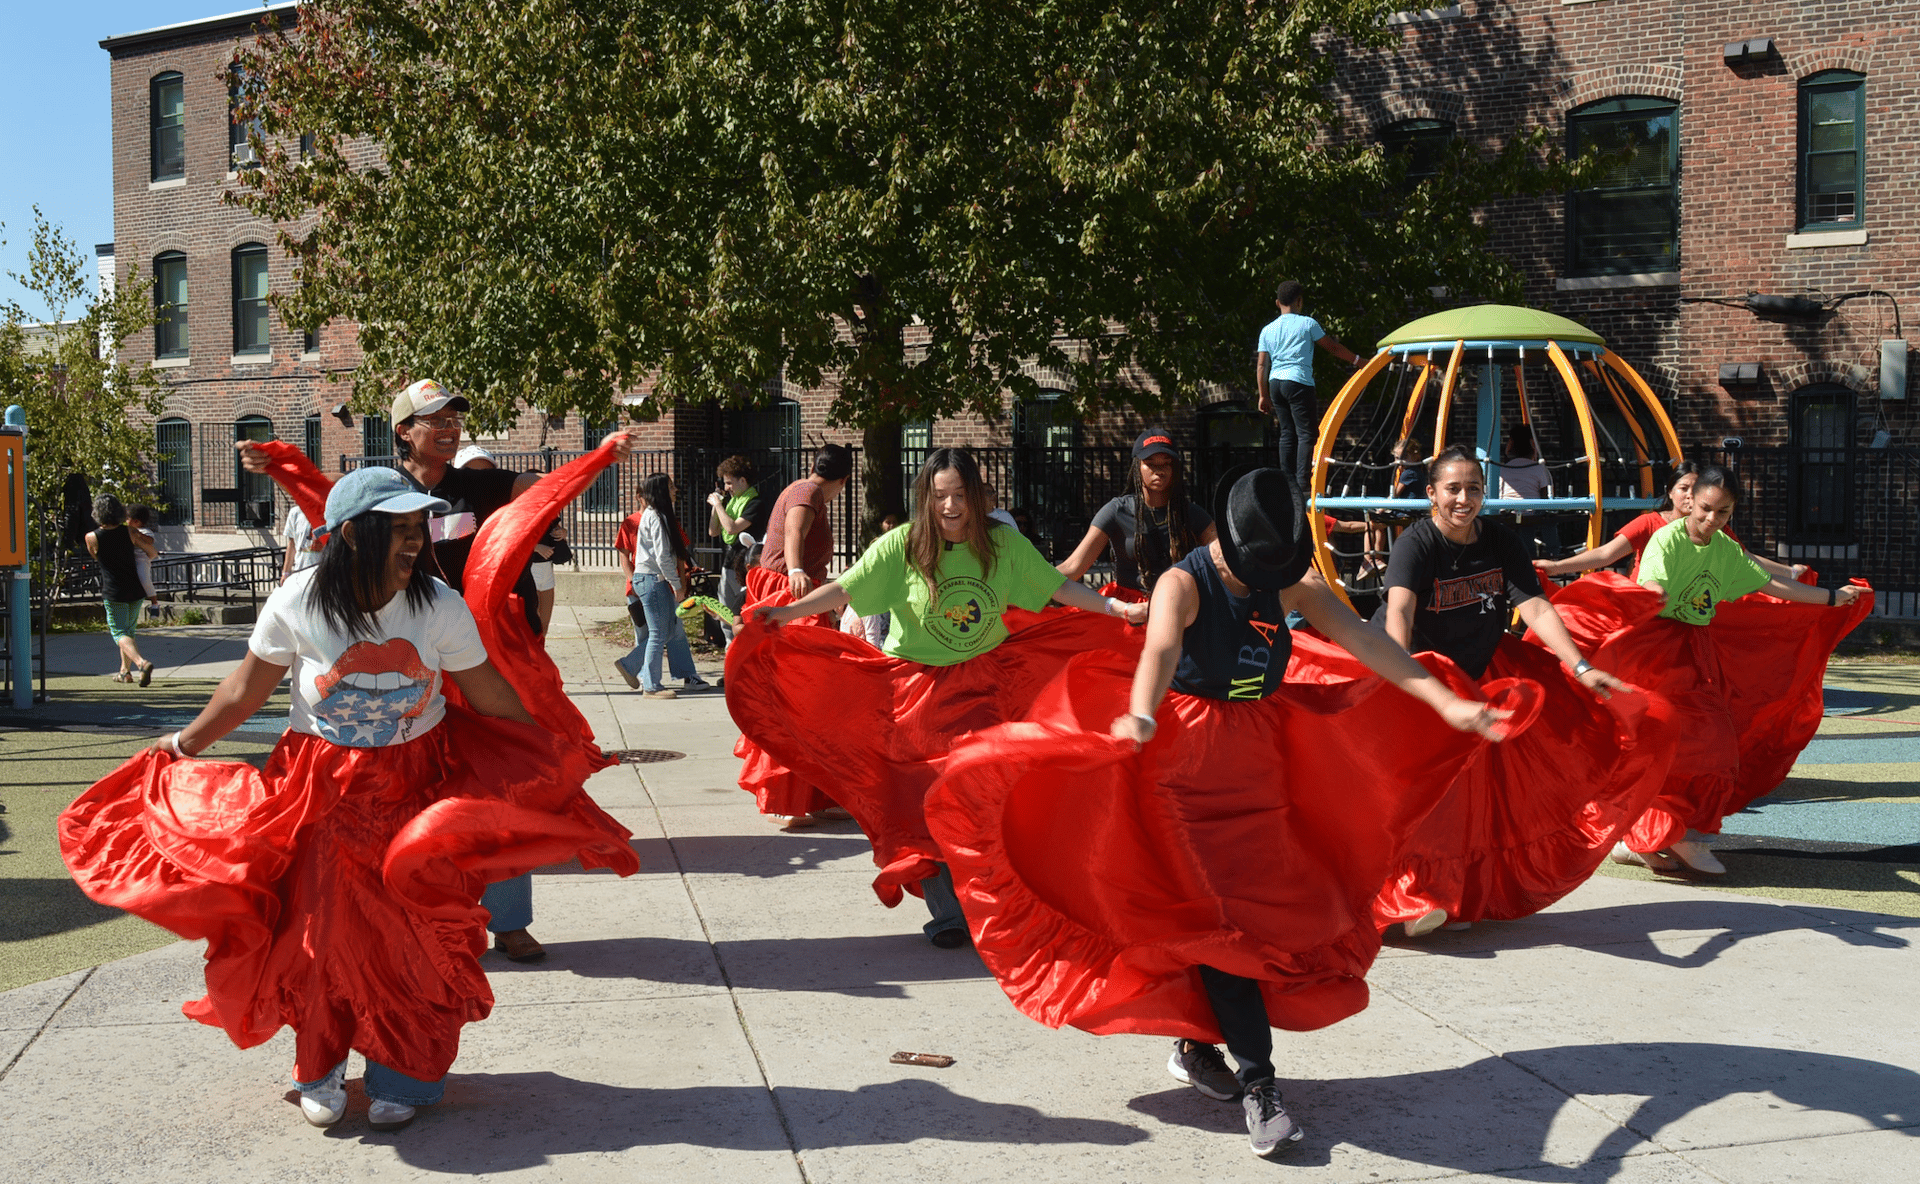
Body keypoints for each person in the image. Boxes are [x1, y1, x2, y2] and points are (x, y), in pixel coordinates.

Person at [922, 468, 1512, 1159]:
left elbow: (1364, 639)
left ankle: (1196, 1045)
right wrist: (1142, 710)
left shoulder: (1287, 579)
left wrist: (1444, 701)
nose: (1263, 577)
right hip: (1182, 773)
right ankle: (1261, 1087)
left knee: (1250, 920)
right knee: (1221, 926)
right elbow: (1162, 649)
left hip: (1258, 764)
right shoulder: (1182, 581)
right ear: (1227, 542)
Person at [59, 467, 638, 1133]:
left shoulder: (437, 606)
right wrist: (182, 746)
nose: (415, 541)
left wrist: (551, 756)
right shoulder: (298, 602)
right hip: (321, 795)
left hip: (415, 790)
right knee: (318, 937)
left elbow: (488, 695)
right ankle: (321, 1066)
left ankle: (400, 1071)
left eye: (418, 527)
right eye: (397, 529)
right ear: (351, 537)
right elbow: (244, 693)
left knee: (414, 939)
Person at [735, 447, 1151, 945]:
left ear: (975, 496)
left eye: (958, 496)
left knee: (983, 802)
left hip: (983, 689)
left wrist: (1113, 609)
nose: (950, 507)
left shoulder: (1003, 545)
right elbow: (845, 589)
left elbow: (1058, 589)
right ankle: (948, 912)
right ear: (924, 500)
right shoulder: (901, 547)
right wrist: (784, 613)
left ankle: (992, 904)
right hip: (916, 694)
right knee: (923, 807)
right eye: (938, 497)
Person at [1373, 445, 1670, 937]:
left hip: (1479, 674)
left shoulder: (1501, 542)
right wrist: (1403, 686)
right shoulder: (1416, 545)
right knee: (1424, 792)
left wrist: (1578, 666)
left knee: (1476, 793)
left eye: (1473, 488)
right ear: (1431, 494)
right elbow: (1399, 614)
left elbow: (1534, 607)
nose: (1463, 498)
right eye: (1452, 489)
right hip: (1422, 675)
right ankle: (1405, 898)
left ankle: (1455, 891)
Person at [1592, 465, 1868, 874]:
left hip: (1692, 650)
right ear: (1688, 502)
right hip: (1657, 651)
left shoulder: (1723, 548)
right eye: (1704, 509)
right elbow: (1648, 584)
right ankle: (1678, 836)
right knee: (1701, 743)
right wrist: (1652, 593)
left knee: (1696, 745)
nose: (1710, 520)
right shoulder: (1665, 539)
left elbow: (1771, 585)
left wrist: (1831, 597)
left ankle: (1649, 835)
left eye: (1722, 513)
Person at [732, 444, 855, 828]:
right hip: (789, 593)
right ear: (843, 481)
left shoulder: (797, 487)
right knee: (800, 694)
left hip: (791, 591)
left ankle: (813, 795)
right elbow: (794, 528)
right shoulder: (808, 492)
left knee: (812, 696)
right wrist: (799, 569)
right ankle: (788, 797)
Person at [1533, 460, 1808, 583]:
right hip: (1648, 605)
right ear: (1670, 492)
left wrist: (1790, 572)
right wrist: (1557, 567)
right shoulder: (1651, 524)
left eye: (1695, 488)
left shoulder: (1713, 527)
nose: (1689, 495)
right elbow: (1606, 554)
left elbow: (1746, 560)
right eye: (1683, 488)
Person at [1056, 428, 1217, 597]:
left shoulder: (1193, 514)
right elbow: (1073, 567)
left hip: (1180, 605)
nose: (1159, 470)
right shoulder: (1117, 510)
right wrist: (1032, 586)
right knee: (1077, 620)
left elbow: (1222, 560)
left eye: (1166, 463)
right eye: (1150, 462)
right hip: (1125, 609)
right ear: (1137, 467)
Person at [1256, 281, 1364, 489]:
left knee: (1287, 432)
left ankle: (1286, 481)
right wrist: (1357, 361)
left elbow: (1261, 365)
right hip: (1298, 381)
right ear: (1300, 301)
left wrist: (1263, 395)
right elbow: (1332, 347)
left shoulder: (1267, 330)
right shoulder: (1307, 324)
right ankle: (1302, 482)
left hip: (1275, 383)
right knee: (1307, 433)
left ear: (1278, 303)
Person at [613, 472, 708, 698]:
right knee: (658, 633)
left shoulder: (658, 516)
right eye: (671, 487)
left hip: (651, 579)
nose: (675, 490)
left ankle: (630, 665)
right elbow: (663, 556)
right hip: (653, 580)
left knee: (667, 630)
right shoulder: (657, 517)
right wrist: (677, 585)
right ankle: (651, 686)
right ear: (661, 491)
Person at [85, 495, 156, 686]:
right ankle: (125, 672)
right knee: (129, 631)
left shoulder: (91, 537)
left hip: (114, 590)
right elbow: (152, 552)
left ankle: (142, 663)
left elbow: (96, 557)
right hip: (135, 588)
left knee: (119, 633)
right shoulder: (131, 532)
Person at [706, 455, 767, 641]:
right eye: (725, 484)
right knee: (725, 614)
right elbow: (713, 531)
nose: (726, 488)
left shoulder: (755, 503)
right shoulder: (730, 503)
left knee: (741, 614)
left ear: (743, 480)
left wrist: (718, 505)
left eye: (730, 483)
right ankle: (729, 649)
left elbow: (732, 527)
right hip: (728, 564)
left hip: (745, 568)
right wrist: (715, 508)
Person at [126, 504, 162, 605]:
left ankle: (154, 602)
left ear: (136, 521)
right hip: (131, 559)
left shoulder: (145, 531)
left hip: (142, 559)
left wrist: (139, 535)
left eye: (128, 518)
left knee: (144, 579)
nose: (126, 521)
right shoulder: (127, 531)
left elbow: (150, 541)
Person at [281, 502, 324, 580]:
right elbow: (292, 545)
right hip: (300, 572)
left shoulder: (329, 511)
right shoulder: (295, 512)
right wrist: (285, 573)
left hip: (323, 574)